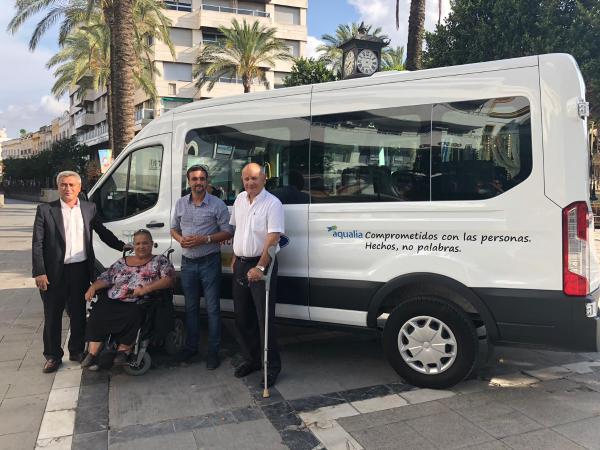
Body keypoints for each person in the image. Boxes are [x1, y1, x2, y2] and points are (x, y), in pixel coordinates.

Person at [32, 171, 127, 373]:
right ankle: (52, 356)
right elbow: (37, 243)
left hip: (80, 270)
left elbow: (102, 232)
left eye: (71, 185)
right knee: (52, 315)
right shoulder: (45, 210)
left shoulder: (89, 208)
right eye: (63, 185)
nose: (67, 188)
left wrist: (122, 246)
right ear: (58, 187)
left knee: (78, 313)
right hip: (53, 273)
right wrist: (39, 272)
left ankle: (76, 351)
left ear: (79, 188)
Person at [81, 229, 175, 369]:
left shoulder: (160, 261)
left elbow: (169, 279)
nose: (141, 246)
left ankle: (123, 350)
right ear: (133, 245)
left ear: (152, 244)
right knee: (98, 312)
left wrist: (145, 289)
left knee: (134, 313)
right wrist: (93, 287)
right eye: (138, 243)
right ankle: (92, 354)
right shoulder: (122, 262)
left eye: (145, 243)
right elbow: (107, 277)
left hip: (138, 299)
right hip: (114, 298)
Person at [171, 165, 233, 369]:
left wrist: (205, 239)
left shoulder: (217, 204)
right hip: (188, 263)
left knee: (213, 309)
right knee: (190, 308)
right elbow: (173, 228)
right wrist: (180, 239)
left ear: (207, 181)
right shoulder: (181, 203)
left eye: (202, 179)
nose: (198, 182)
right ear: (189, 181)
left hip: (209, 262)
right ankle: (191, 348)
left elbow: (228, 232)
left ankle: (213, 352)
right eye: (194, 179)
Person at [230, 162, 284, 388]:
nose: (250, 182)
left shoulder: (273, 203)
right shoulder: (239, 199)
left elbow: (273, 238)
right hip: (241, 264)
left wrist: (260, 267)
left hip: (262, 264)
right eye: (246, 178)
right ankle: (251, 359)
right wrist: (235, 257)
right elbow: (238, 229)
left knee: (264, 319)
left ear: (264, 179)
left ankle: (271, 367)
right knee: (243, 317)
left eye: (254, 178)